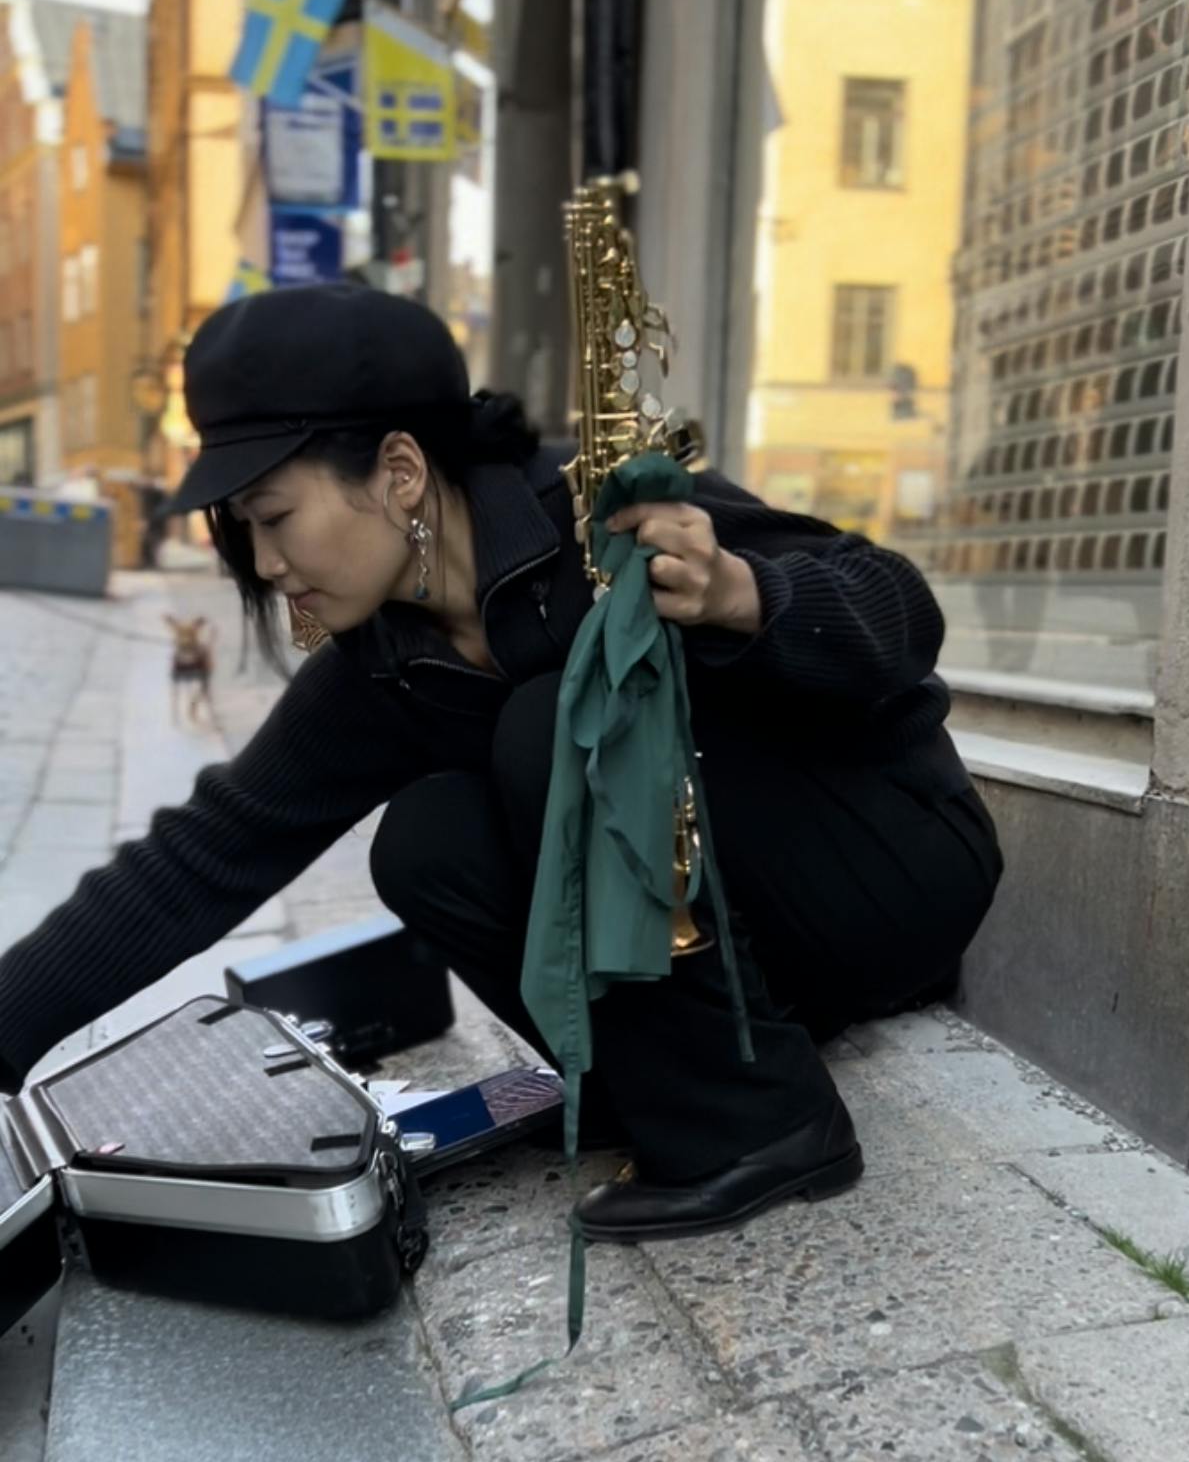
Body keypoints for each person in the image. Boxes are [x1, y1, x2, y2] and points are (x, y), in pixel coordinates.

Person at [0, 283, 1001, 1242]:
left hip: (886, 874)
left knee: (553, 720)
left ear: (399, 472)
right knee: (426, 840)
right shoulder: (384, 663)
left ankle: (766, 1127)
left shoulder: (600, 511)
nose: (263, 563)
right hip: (765, 968)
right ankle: (644, 1084)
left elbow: (900, 611)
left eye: (274, 517)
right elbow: (204, 853)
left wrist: (743, 594)